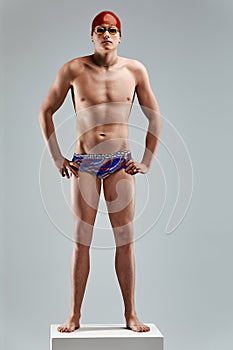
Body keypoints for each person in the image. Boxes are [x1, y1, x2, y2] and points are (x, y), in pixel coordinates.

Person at [38, 10, 162, 333]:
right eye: (99, 30)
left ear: (120, 36)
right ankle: (74, 316)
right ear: (91, 36)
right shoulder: (73, 70)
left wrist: (147, 160)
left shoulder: (135, 71)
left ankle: (131, 314)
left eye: (111, 30)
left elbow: (155, 118)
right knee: (82, 241)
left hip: (120, 162)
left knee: (126, 241)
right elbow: (46, 110)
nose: (106, 35)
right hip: (85, 164)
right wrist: (56, 157)